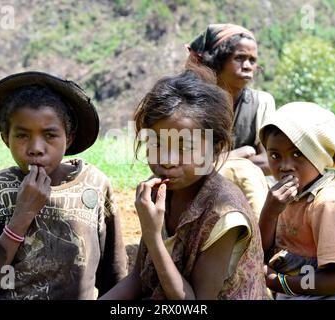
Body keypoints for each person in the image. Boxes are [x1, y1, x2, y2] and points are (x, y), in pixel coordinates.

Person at [0, 71, 127, 300]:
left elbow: (114, 272)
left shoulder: (93, 185)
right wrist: (22, 215)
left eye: (50, 135)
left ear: (68, 138)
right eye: (22, 136)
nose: (35, 148)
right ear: (6, 139)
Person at [100, 71, 268, 300]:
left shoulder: (225, 215)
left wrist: (152, 235)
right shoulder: (162, 192)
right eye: (157, 144)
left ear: (215, 149)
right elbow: (138, 279)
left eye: (183, 148)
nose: (167, 161)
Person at [259, 102, 335, 299]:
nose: (285, 166)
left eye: (297, 154)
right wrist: (270, 211)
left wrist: (277, 281)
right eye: (275, 155)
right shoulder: (285, 198)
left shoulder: (332, 204)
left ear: (318, 156)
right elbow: (260, 254)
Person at [185, 23, 275, 217]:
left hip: (245, 191)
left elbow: (270, 162)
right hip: (194, 187)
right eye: (239, 58)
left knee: (246, 173)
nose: (248, 66)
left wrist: (221, 161)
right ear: (217, 60)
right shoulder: (193, 102)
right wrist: (241, 153)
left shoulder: (261, 103)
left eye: (252, 60)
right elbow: (188, 163)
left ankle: (260, 241)